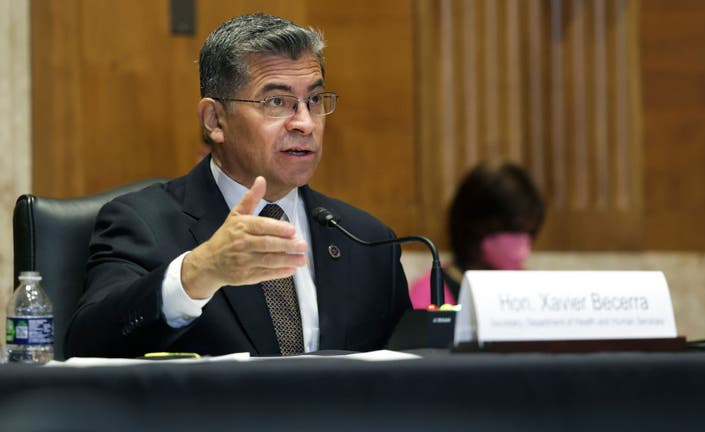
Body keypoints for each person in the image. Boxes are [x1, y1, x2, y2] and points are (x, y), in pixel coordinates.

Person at [65, 13, 411, 358]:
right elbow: (87, 346)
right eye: (277, 102)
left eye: (315, 100)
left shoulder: (369, 241)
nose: (305, 123)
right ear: (215, 120)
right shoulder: (143, 223)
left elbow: (410, 380)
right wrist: (198, 272)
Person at [409, 162, 545, 308]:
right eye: (513, 229)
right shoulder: (430, 294)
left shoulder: (535, 290)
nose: (523, 243)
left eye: (529, 231)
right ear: (476, 224)